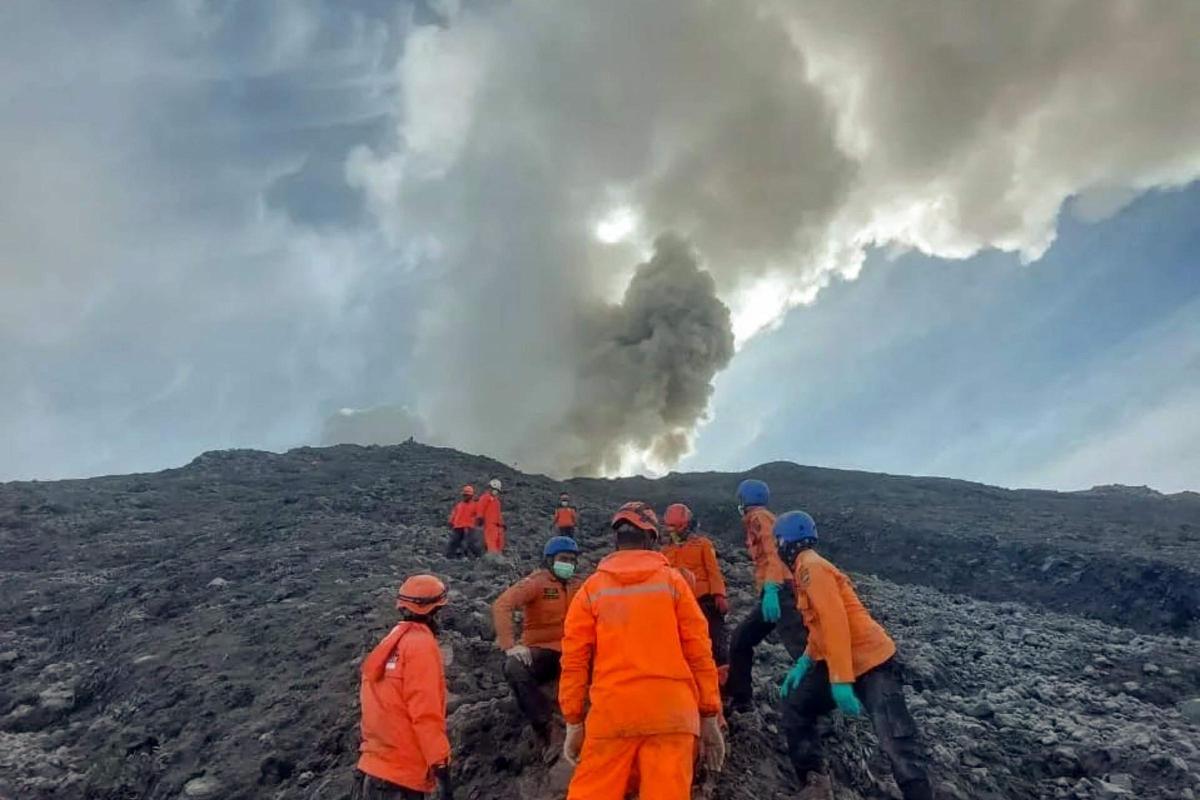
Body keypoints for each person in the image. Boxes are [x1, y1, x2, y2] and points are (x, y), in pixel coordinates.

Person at [559, 502, 726, 800]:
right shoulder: (674, 583)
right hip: (672, 714)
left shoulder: (591, 589)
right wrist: (710, 713)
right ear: (652, 538)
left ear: (616, 540)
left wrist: (573, 721)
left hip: (613, 714)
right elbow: (699, 652)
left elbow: (574, 661)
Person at [775, 511, 933, 800]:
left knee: (895, 738)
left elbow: (835, 622)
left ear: (786, 542)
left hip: (872, 661)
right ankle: (815, 783)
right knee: (796, 705)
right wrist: (805, 661)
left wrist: (840, 679)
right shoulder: (803, 571)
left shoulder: (812, 568)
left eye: (778, 541)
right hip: (840, 660)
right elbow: (820, 627)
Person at [355, 574, 454, 800]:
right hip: (402, 778)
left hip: (374, 769)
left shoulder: (390, 642)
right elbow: (425, 715)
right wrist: (441, 768)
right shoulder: (421, 647)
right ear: (436, 610)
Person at [492, 536, 584, 754]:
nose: (568, 564)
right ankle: (547, 729)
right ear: (550, 560)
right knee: (514, 667)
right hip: (545, 651)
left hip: (576, 652)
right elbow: (502, 605)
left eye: (572, 560)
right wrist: (510, 646)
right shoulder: (536, 583)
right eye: (563, 559)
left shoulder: (579, 585)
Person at [725, 478, 808, 712]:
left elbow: (773, 554)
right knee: (741, 640)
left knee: (801, 649)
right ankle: (740, 698)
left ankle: (819, 700)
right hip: (774, 593)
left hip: (781, 592)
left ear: (744, 500)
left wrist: (772, 587)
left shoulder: (759, 518)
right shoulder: (760, 518)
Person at [659, 503, 730, 678]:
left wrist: (719, 595)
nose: (673, 531)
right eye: (671, 527)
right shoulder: (665, 551)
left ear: (688, 524)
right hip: (678, 604)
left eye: (677, 526)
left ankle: (725, 684)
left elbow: (713, 570)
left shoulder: (703, 544)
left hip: (704, 600)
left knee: (716, 643)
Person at [446, 485, 480, 559]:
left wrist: (479, 521)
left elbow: (479, 515)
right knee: (454, 541)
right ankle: (449, 557)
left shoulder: (475, 505)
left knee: (471, 543)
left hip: (469, 526)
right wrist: (450, 521)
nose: (465, 496)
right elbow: (454, 514)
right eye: (464, 495)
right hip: (458, 526)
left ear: (471, 496)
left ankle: (478, 556)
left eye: (467, 495)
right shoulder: (459, 505)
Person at [475, 478, 506, 554]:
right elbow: (480, 507)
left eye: (497, 490)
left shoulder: (497, 501)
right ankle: (492, 558)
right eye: (495, 489)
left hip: (498, 526)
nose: (496, 492)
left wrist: (502, 524)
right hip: (490, 524)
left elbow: (498, 514)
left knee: (500, 542)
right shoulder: (485, 497)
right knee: (491, 541)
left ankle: (499, 557)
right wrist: (480, 517)